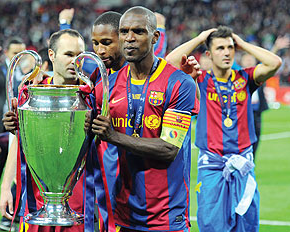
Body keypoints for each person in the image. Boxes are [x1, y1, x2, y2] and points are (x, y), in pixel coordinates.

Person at [89, 6, 199, 232]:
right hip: (123, 212)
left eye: (138, 31)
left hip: (167, 216)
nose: (129, 38)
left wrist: (113, 136)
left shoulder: (178, 83)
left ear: (155, 37)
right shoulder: (106, 88)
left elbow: (169, 148)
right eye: (124, 32)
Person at [166, 26, 282, 231]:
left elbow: (274, 63)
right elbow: (168, 63)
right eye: (220, 48)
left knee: (246, 226)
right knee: (212, 226)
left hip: (243, 167)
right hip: (211, 168)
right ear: (209, 54)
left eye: (230, 47)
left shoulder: (245, 78)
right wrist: (201, 37)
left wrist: (243, 44)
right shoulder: (200, 80)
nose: (227, 52)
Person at [0, 29, 87, 232]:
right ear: (51, 55)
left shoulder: (92, 94)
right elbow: (20, 144)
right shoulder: (32, 94)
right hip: (37, 201)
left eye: (79, 55)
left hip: (79, 203)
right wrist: (5, 188)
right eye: (68, 54)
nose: (75, 61)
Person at [0, 35, 26, 232]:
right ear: (6, 53)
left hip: (18, 131)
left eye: (22, 53)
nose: (19, 58)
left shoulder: (28, 74)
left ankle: (11, 215)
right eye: (14, 53)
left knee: (17, 173)